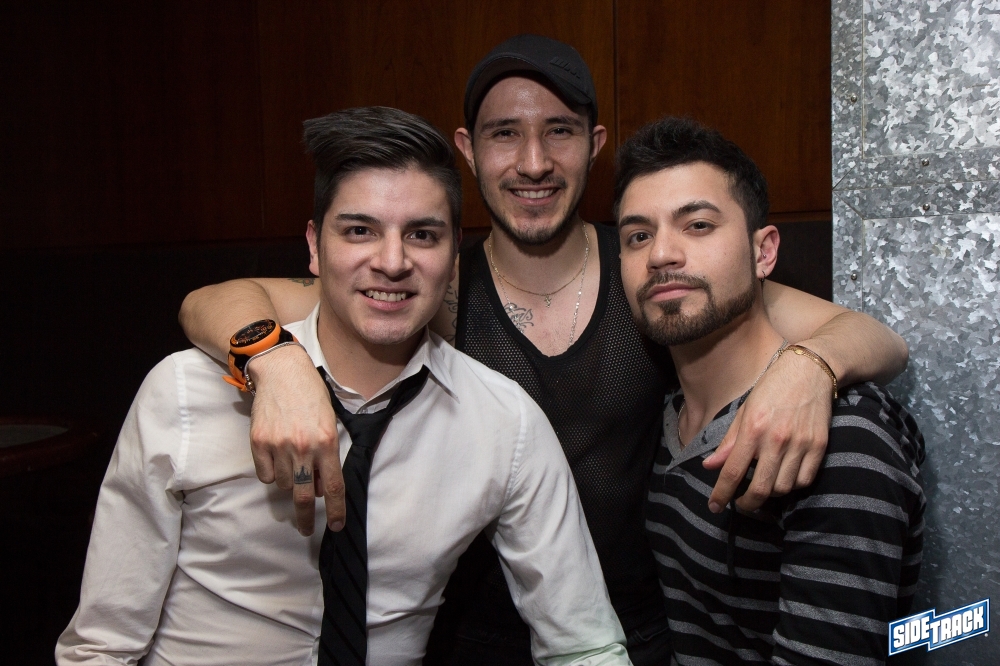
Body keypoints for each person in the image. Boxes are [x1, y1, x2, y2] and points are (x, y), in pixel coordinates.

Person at [178, 36, 909, 664]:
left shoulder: (650, 271)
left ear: (594, 144)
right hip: (468, 642)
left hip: (635, 638)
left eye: (559, 131)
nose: (533, 162)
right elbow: (213, 301)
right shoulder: (428, 283)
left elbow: (872, 336)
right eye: (504, 134)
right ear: (468, 150)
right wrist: (273, 360)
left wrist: (810, 367)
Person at [57, 107, 633, 666]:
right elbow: (102, 646)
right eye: (360, 230)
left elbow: (583, 644)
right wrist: (278, 367)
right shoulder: (186, 392)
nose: (392, 262)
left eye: (422, 235)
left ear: (453, 250)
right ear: (314, 245)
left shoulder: (504, 423)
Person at [615, 116, 925, 664]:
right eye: (639, 236)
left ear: (763, 253)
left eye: (698, 225)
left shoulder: (838, 438)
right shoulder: (668, 413)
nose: (661, 254)